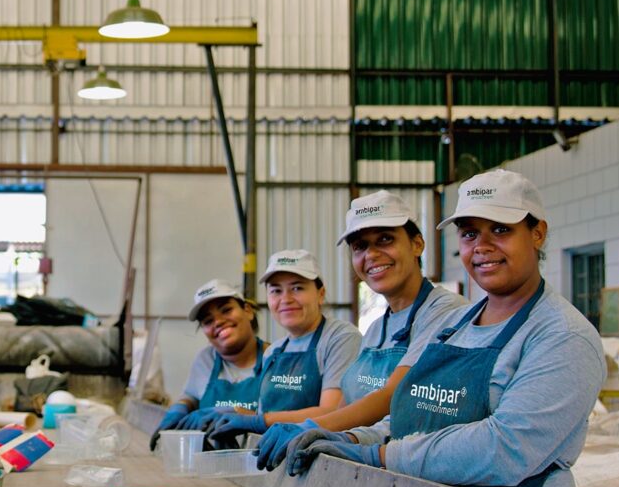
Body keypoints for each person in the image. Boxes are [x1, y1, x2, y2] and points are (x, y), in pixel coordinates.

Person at [285, 170, 604, 487]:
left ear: (537, 233)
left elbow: (507, 448)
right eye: (469, 234)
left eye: (500, 229)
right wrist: (355, 439)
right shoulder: (454, 325)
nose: (481, 247)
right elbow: (413, 415)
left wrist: (377, 455)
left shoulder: (563, 336)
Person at [252, 192, 466, 470]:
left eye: (385, 239)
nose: (371, 255)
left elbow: (395, 395)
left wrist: (309, 426)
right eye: (359, 246)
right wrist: (323, 434)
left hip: (411, 470)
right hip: (365, 467)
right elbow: (344, 404)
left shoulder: (446, 311)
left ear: (417, 244)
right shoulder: (377, 327)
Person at [206, 250, 362, 447]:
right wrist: (234, 414)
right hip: (275, 453)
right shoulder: (274, 351)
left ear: (320, 294)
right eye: (276, 291)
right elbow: (266, 414)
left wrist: (258, 421)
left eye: (297, 288)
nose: (285, 299)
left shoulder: (341, 338)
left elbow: (331, 412)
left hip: (321, 457)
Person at [148, 279, 267, 451]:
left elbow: (280, 419)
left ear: (247, 311)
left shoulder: (276, 359)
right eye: (208, 321)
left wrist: (234, 412)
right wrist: (179, 408)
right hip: (212, 467)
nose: (218, 322)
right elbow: (191, 395)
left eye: (226, 310)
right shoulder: (206, 359)